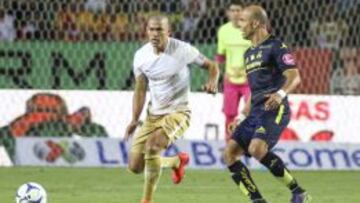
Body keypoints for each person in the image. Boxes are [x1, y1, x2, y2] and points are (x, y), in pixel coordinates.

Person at [124, 15, 219, 203]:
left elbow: (212, 66)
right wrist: (135, 119)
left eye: (159, 30)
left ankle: (146, 200)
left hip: (178, 112)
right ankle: (176, 161)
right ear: (146, 31)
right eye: (151, 29)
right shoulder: (141, 56)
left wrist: (212, 81)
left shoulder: (183, 50)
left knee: (152, 147)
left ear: (169, 32)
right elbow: (140, 88)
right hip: (153, 115)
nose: (154, 34)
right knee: (135, 166)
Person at [223, 5, 311, 203]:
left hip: (275, 109)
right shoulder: (248, 54)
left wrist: (280, 94)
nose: (239, 25)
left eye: (243, 21)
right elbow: (254, 93)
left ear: (255, 23)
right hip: (254, 111)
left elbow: (294, 76)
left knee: (256, 149)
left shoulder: (276, 46)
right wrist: (241, 117)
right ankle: (258, 200)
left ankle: (299, 192)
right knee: (229, 154)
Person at [216, 0, 252, 142]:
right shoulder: (223, 30)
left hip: (249, 80)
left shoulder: (251, 30)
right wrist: (218, 73)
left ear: (244, 13)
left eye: (239, 10)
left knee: (252, 112)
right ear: (228, 13)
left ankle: (249, 144)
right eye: (233, 10)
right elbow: (220, 56)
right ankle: (229, 145)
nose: (236, 13)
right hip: (230, 79)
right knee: (229, 115)